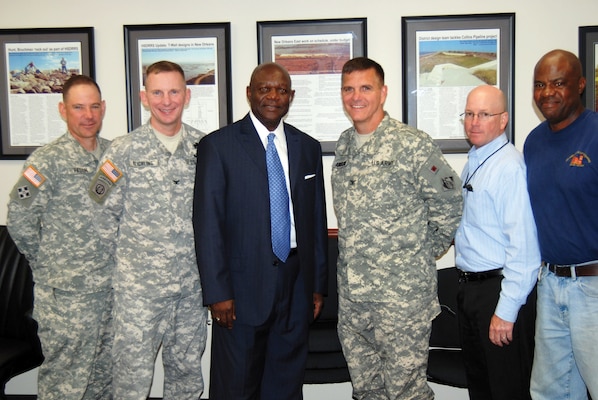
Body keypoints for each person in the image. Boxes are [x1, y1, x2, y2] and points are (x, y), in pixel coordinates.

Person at [193, 62, 328, 399]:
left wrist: (317, 286)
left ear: (291, 97)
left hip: (296, 285)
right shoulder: (218, 146)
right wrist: (217, 293)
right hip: (240, 291)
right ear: (249, 93)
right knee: (237, 385)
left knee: (285, 384)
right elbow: (207, 224)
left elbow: (315, 219)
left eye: (281, 90)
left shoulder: (307, 147)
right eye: (265, 88)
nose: (272, 96)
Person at [331, 57, 462, 399]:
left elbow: (449, 201)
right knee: (366, 389)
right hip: (354, 298)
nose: (356, 96)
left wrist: (420, 254)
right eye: (348, 88)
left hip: (402, 300)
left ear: (383, 92)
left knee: (407, 392)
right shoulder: (343, 147)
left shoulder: (412, 144)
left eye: (365, 87)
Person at [89, 60, 207, 400]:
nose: (166, 100)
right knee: (131, 380)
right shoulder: (121, 151)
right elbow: (99, 210)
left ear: (186, 96)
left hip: (190, 289)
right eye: (157, 92)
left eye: (173, 91)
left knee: (186, 377)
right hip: (138, 294)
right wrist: (131, 262)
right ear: (144, 97)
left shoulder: (205, 149)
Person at [7, 74, 113, 400]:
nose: (88, 114)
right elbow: (18, 217)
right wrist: (48, 264)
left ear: (103, 108)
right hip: (67, 298)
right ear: (63, 110)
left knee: (104, 382)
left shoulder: (113, 156)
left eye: (94, 106)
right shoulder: (46, 160)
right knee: (64, 385)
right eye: (78, 107)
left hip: (111, 294)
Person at [454, 85, 541, 400]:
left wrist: (506, 311)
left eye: (484, 115)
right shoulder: (477, 159)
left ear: (503, 120)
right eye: (469, 114)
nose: (474, 122)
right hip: (472, 290)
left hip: (499, 292)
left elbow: (525, 250)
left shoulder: (508, 168)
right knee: (481, 387)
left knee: (507, 389)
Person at [524, 49, 598, 400]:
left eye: (558, 83)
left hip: (593, 288)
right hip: (551, 284)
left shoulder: (595, 133)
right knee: (550, 391)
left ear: (580, 85)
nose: (547, 92)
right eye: (539, 84)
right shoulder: (533, 142)